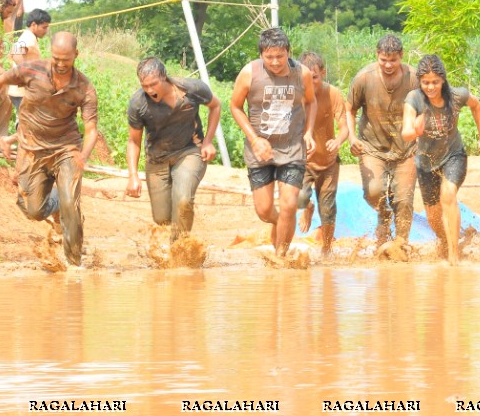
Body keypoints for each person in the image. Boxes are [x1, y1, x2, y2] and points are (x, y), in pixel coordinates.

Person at [0, 32, 98, 267]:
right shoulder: (32, 69)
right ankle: (57, 203)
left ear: (75, 56)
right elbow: (0, 81)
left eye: (65, 60)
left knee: (72, 204)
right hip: (31, 150)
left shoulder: (84, 87)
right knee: (34, 210)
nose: (59, 64)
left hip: (65, 148)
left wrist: (83, 156)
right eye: (56, 58)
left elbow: (91, 129)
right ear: (51, 53)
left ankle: (75, 265)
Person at [230, 28, 316, 260]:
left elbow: (311, 102)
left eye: (280, 56)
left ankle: (280, 256)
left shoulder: (303, 74)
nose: (276, 62)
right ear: (261, 55)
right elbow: (235, 106)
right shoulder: (249, 73)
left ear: (288, 52)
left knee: (288, 204)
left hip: (292, 148)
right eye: (269, 57)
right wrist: (254, 138)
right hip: (260, 150)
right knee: (265, 210)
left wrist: (308, 132)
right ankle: (282, 223)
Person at [401, 55, 480, 265]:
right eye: (426, 82)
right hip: (425, 162)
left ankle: (454, 255)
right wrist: (415, 130)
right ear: (420, 82)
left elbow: (476, 106)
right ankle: (447, 242)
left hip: (454, 155)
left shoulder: (456, 95)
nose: (430, 87)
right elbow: (405, 132)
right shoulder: (413, 99)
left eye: (435, 82)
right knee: (433, 217)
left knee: (448, 194)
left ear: (443, 80)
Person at [125, 57, 222, 241]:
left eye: (154, 84)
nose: (150, 90)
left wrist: (208, 141)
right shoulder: (138, 104)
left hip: (190, 150)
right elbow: (133, 142)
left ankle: (179, 253)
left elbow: (215, 105)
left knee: (183, 200)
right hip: (157, 159)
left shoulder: (192, 89)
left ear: (164, 77)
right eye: (145, 86)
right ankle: (176, 245)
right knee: (162, 219)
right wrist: (133, 176)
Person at [347, 34, 419, 250]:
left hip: (406, 148)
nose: (388, 65)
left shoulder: (414, 77)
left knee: (404, 200)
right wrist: (351, 137)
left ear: (401, 57)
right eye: (383, 60)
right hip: (372, 147)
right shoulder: (364, 78)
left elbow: (428, 107)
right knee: (373, 191)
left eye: (393, 60)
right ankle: (384, 214)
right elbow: (349, 109)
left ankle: (401, 244)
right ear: (377, 56)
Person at [296, 52, 350, 256]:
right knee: (300, 198)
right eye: (306, 78)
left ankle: (326, 250)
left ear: (323, 74)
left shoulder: (333, 93)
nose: (311, 82)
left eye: (315, 77)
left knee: (327, 209)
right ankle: (307, 207)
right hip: (303, 161)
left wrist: (338, 141)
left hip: (328, 162)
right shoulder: (296, 96)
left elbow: (344, 126)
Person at [0, 9, 52, 160]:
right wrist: (28, 76)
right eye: (44, 27)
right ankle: (11, 144)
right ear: (34, 25)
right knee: (29, 122)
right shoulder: (29, 37)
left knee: (27, 121)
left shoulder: (29, 37)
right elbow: (16, 54)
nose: (46, 30)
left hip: (20, 89)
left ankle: (14, 145)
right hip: (21, 90)